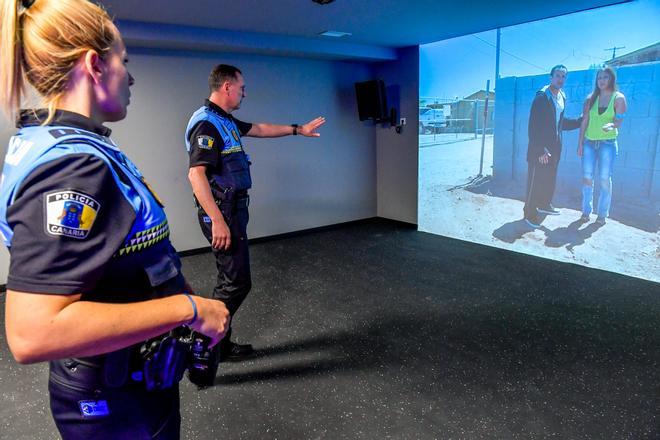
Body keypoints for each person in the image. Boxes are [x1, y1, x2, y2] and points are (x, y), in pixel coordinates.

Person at [0, 1, 229, 438]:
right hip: (114, 399)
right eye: (123, 61)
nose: (130, 75)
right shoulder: (72, 168)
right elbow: (33, 332)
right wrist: (189, 308)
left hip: (128, 381)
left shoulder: (69, 142)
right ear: (94, 65)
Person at [185, 64, 325, 378]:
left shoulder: (224, 120)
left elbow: (259, 129)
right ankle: (202, 344)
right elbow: (196, 175)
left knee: (228, 280)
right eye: (242, 87)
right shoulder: (207, 124)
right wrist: (217, 220)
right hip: (223, 214)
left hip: (233, 210)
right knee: (237, 283)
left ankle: (221, 343)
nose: (244, 92)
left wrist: (297, 129)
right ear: (226, 87)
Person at [524, 64, 582, 228]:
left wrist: (579, 121)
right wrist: (540, 150)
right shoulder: (542, 97)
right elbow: (533, 126)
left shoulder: (562, 97)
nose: (560, 79)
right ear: (551, 77)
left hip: (555, 147)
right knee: (535, 181)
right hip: (540, 149)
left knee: (549, 179)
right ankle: (529, 213)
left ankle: (544, 205)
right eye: (558, 75)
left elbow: (559, 124)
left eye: (564, 76)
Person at [577, 66, 626, 225]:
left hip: (608, 144)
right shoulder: (590, 98)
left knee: (604, 178)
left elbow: (619, 121)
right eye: (599, 78)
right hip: (589, 144)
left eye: (605, 77)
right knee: (587, 178)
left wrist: (611, 126)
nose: (602, 81)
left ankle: (602, 214)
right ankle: (586, 211)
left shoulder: (618, 98)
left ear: (611, 79)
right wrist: (580, 143)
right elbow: (585, 121)